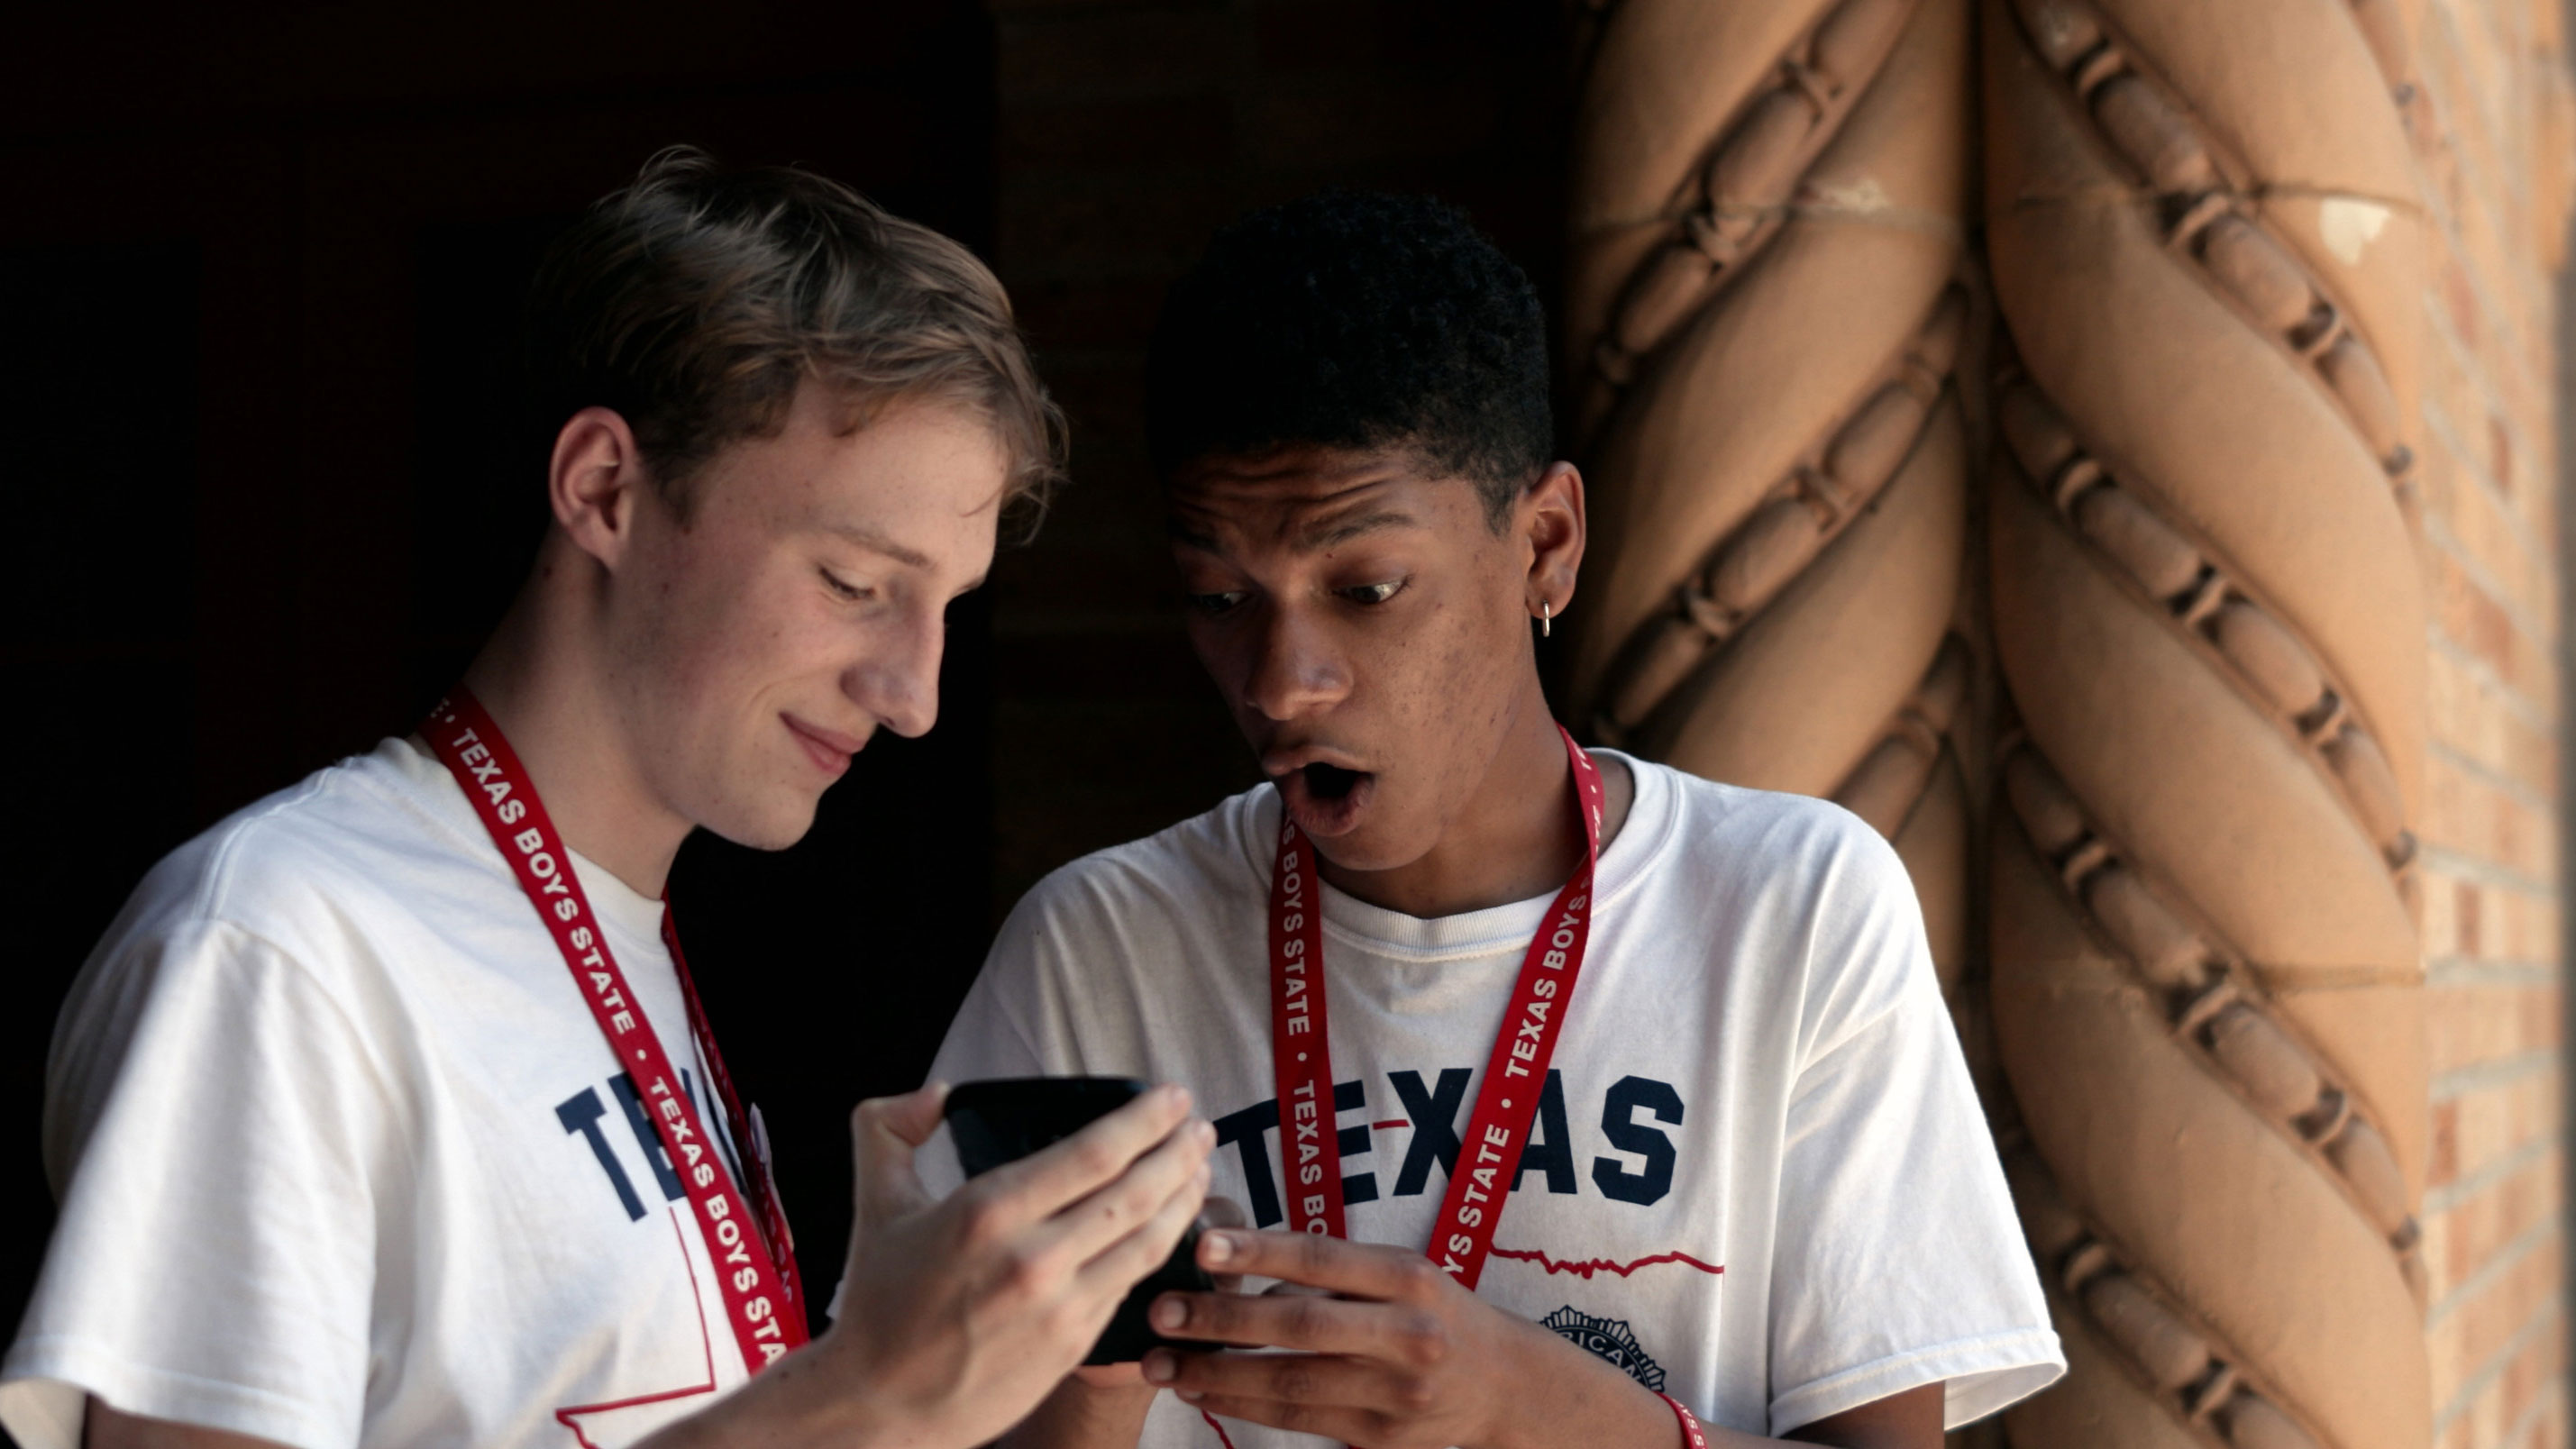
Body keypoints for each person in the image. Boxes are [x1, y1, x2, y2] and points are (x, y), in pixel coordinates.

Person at [0, 149, 1216, 1449]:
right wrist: (863, 1393)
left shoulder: (613, 939)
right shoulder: (278, 946)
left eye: (945, 610)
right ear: (603, 491)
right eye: (857, 581)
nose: (914, 693)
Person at [922, 192, 2066, 1449]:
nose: (1279, 678)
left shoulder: (1787, 906)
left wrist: (1527, 1411)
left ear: (1545, 547)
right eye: (1217, 596)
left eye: (1363, 589)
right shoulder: (1097, 951)